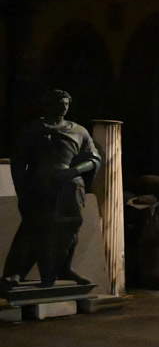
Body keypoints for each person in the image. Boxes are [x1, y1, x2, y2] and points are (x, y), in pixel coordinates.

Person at [3, 88, 101, 289]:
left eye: (66, 104)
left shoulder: (79, 130)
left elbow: (94, 158)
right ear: (48, 104)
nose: (64, 107)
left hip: (70, 187)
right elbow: (19, 162)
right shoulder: (34, 129)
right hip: (40, 185)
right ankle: (15, 273)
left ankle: (63, 268)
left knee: (70, 229)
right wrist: (22, 190)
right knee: (33, 227)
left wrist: (74, 171)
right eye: (59, 103)